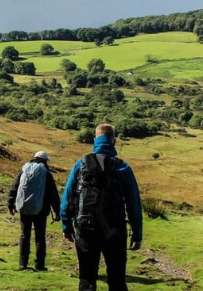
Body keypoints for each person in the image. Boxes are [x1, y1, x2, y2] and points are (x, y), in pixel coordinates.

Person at [60, 124, 143, 291]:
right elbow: (133, 202)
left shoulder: (81, 164)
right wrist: (137, 233)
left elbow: (68, 195)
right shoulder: (123, 167)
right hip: (115, 230)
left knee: (87, 279)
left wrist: (66, 225)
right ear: (114, 141)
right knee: (117, 280)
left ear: (94, 140)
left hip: (86, 228)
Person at [7, 151, 60, 271]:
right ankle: (40, 264)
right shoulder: (46, 173)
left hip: (24, 208)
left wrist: (10, 204)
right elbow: (53, 194)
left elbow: (15, 187)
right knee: (40, 237)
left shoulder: (24, 170)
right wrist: (57, 211)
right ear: (45, 160)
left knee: (25, 235)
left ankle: (23, 263)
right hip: (41, 209)